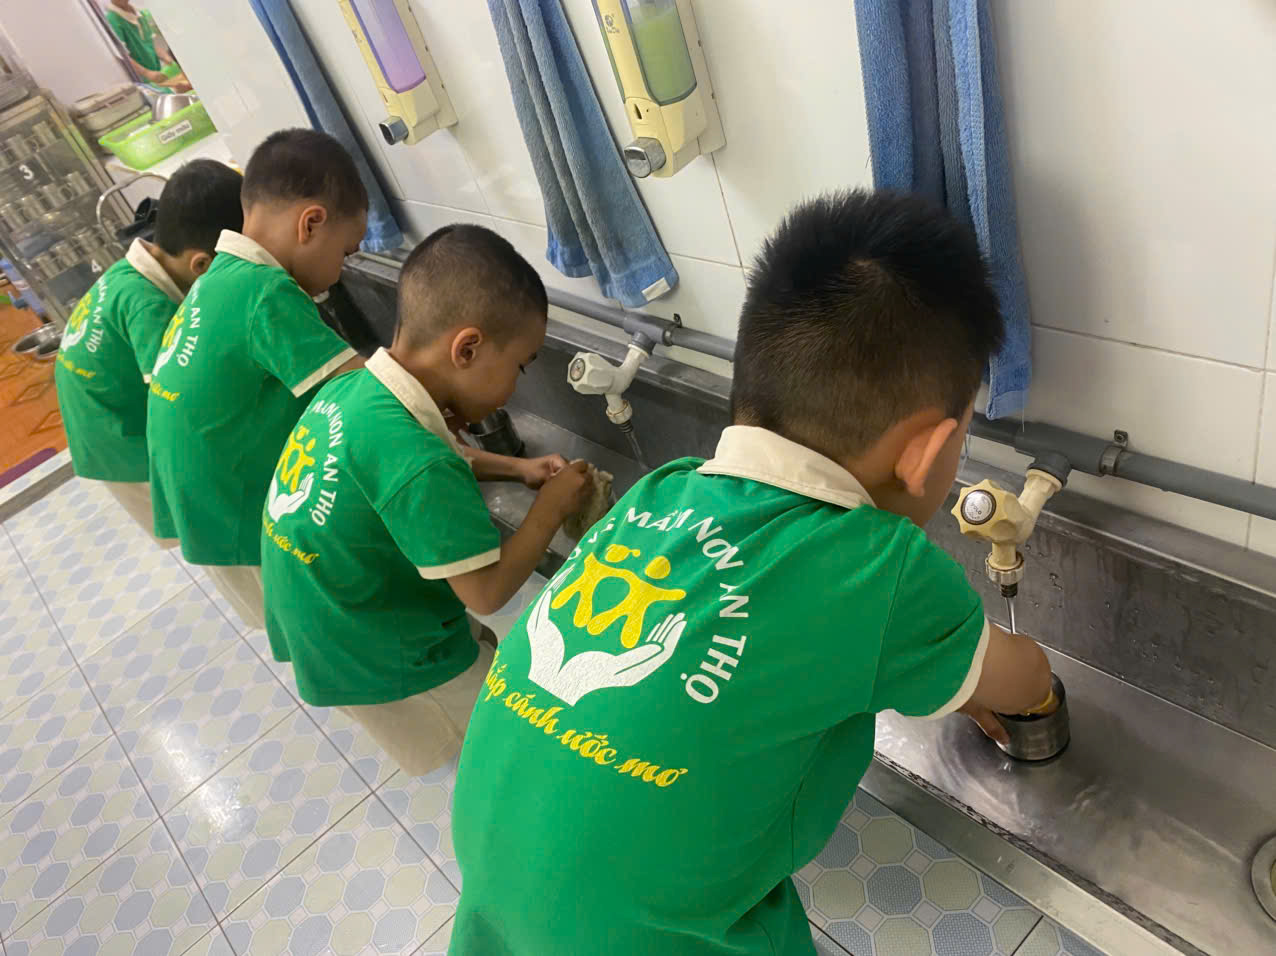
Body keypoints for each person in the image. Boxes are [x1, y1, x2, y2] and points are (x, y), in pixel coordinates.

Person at [449, 190, 1056, 956]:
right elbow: (1025, 680)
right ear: (928, 453)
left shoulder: (662, 490)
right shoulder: (880, 567)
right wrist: (1024, 690)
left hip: (493, 899)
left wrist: (944, 667)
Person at [261, 224, 592, 776]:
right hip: (378, 653)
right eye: (520, 366)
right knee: (503, 739)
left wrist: (519, 469)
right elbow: (487, 591)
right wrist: (551, 508)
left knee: (479, 659)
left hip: (326, 608)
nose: (516, 385)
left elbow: (423, 459)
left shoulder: (360, 388)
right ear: (467, 349)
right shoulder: (418, 460)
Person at [147, 128, 367, 631]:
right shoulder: (266, 293)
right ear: (311, 223)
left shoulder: (220, 278)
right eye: (347, 252)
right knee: (336, 637)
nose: (340, 272)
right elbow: (372, 396)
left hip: (208, 507)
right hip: (243, 513)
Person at [54, 159, 243, 544]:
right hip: (117, 435)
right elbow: (182, 400)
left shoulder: (133, 273)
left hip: (100, 411)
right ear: (202, 264)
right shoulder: (150, 308)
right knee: (201, 526)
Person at [102, 1, 192, 92]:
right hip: (142, 81)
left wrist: (166, 57)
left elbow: (150, 43)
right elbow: (122, 55)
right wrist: (146, 73)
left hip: (156, 73)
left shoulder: (140, 14)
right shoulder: (112, 20)